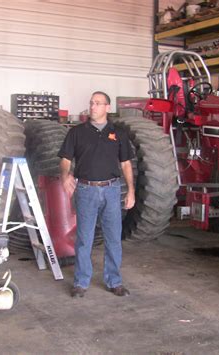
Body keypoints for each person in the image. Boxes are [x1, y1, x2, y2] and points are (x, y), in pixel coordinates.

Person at [58, 91, 135, 298]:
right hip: (85, 190)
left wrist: (131, 191)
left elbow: (126, 164)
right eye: (91, 103)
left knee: (113, 238)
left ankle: (114, 281)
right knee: (84, 238)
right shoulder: (77, 132)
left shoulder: (118, 133)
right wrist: (65, 176)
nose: (93, 107)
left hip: (112, 190)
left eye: (98, 103)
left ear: (107, 108)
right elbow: (65, 159)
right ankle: (81, 282)